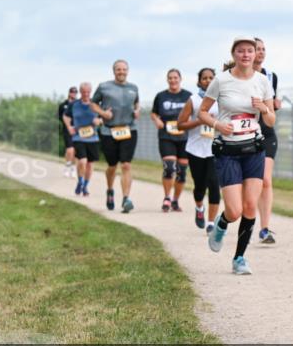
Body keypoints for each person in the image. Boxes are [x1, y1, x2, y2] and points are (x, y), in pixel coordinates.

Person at [199, 37, 276, 275]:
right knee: (234, 210)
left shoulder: (263, 81)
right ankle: (221, 224)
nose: (245, 55)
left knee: (250, 205)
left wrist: (263, 109)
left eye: (250, 51)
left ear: (255, 55)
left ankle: (239, 258)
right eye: (240, 51)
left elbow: (271, 120)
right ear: (234, 54)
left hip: (253, 149)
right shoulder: (221, 81)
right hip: (228, 151)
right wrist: (217, 125)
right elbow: (203, 112)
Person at [90, 60, 141, 213]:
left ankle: (126, 199)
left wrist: (137, 110)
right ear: (114, 71)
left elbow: (137, 103)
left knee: (126, 165)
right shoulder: (104, 86)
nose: (121, 72)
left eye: (124, 69)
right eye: (118, 69)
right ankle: (110, 189)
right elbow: (93, 104)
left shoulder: (134, 88)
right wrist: (103, 113)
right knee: (112, 166)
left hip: (129, 129)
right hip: (108, 131)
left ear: (128, 71)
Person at [177, 67, 221, 233]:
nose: (208, 81)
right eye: (204, 78)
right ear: (199, 81)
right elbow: (180, 125)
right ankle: (199, 207)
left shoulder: (221, 99)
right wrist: (200, 121)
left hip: (215, 148)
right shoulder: (193, 100)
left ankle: (211, 223)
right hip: (195, 149)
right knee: (200, 186)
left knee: (214, 184)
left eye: (211, 78)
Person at [151, 69, 192, 212]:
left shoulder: (188, 96)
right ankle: (167, 197)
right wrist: (157, 121)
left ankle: (175, 200)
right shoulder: (161, 96)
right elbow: (154, 113)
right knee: (169, 167)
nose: (173, 80)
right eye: (170, 78)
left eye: (175, 77)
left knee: (182, 171)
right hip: (166, 136)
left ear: (180, 79)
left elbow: (196, 112)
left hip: (184, 137)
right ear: (167, 80)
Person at [253, 38, 282, 244]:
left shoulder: (271, 76)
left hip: (267, 131)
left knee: (265, 180)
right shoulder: (235, 77)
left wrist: (273, 106)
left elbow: (270, 107)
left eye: (263, 49)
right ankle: (234, 213)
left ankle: (264, 228)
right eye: (257, 49)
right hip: (244, 133)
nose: (261, 52)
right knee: (248, 182)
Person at [63, 82, 102, 196]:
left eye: (88, 92)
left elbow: (104, 117)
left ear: (91, 92)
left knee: (89, 164)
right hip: (78, 137)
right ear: (80, 92)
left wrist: (99, 121)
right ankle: (80, 181)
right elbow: (65, 116)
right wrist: (69, 126)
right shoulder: (74, 104)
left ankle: (85, 186)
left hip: (93, 138)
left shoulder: (95, 105)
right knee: (82, 161)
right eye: (84, 92)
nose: (86, 94)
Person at [59, 87, 78, 177]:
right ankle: (67, 166)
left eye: (75, 93)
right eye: (72, 92)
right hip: (67, 129)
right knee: (70, 149)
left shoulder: (78, 104)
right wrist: (68, 125)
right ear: (69, 93)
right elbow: (60, 117)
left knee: (75, 150)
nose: (73, 94)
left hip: (77, 129)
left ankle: (73, 168)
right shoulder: (63, 105)